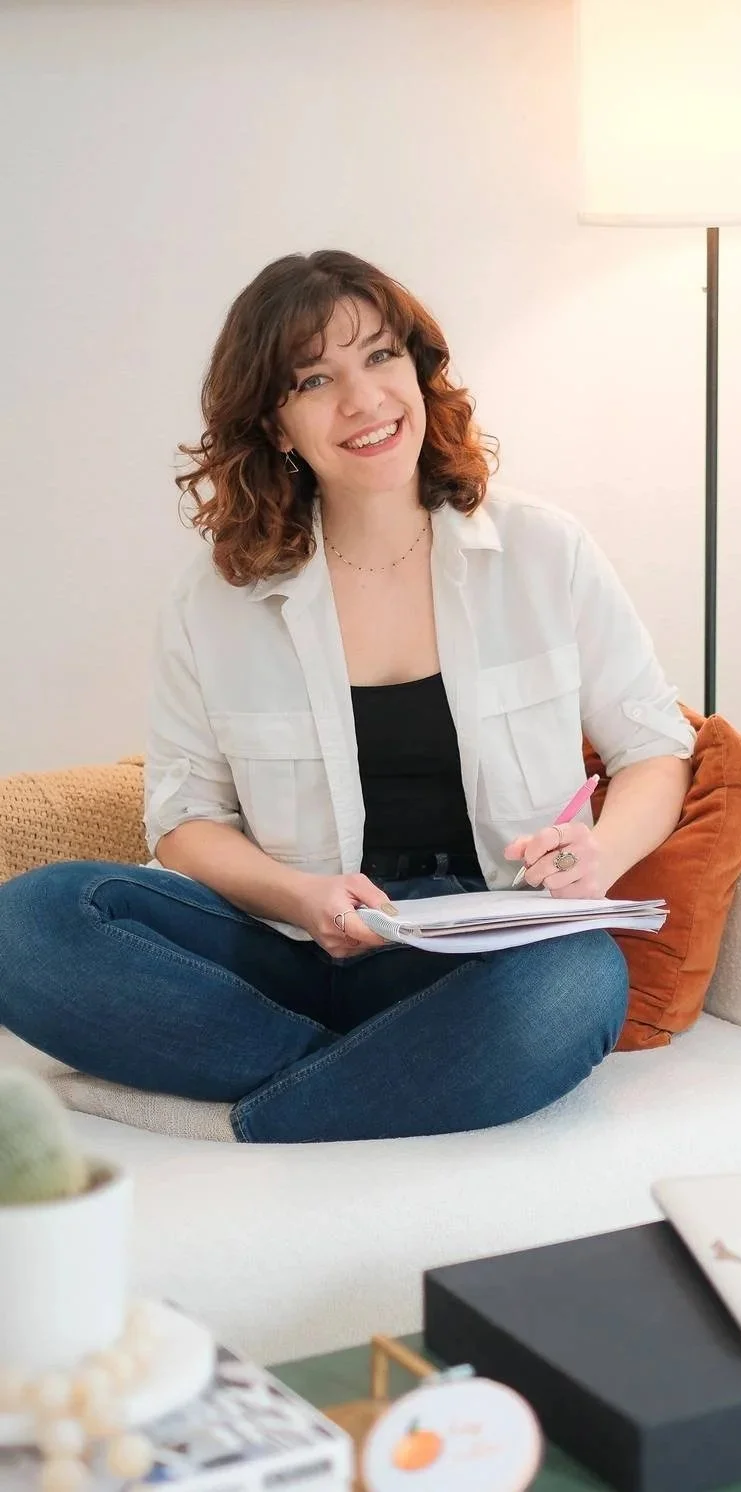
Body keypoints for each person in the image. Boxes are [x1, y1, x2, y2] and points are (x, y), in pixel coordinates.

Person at [0, 249, 695, 1143]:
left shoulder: (541, 551)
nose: (362, 402)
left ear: (417, 370)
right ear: (278, 425)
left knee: (575, 984)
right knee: (31, 920)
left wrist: (597, 854)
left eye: (378, 358)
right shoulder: (217, 598)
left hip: (478, 950)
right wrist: (300, 898)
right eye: (315, 380)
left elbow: (653, 748)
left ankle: (254, 1111)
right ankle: (390, 1072)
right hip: (287, 946)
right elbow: (181, 817)